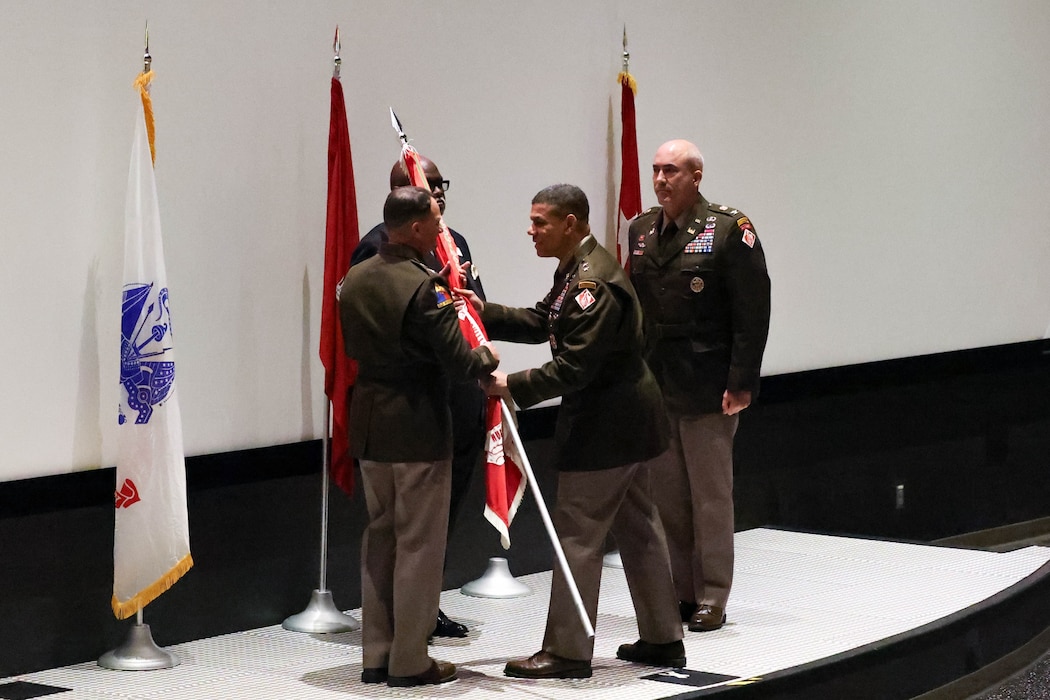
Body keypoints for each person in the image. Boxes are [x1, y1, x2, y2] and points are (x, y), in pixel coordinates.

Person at [460, 184, 684, 679]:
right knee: (640, 530)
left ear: (570, 223)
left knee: (578, 535)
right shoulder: (577, 269)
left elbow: (575, 367)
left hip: (608, 428)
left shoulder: (592, 282)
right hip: (628, 422)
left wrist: (510, 385)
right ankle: (663, 638)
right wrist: (482, 310)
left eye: (540, 222)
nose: (530, 230)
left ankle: (567, 651)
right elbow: (544, 320)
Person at [338, 186, 499, 687]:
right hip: (417, 426)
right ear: (413, 228)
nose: (440, 228)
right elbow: (459, 360)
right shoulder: (424, 286)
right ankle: (410, 660)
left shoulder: (355, 278)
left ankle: (376, 654)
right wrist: (487, 357)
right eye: (434, 221)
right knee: (418, 546)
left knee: (380, 540)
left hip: (370, 423)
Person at [628, 139, 771, 633]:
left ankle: (712, 595)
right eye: (656, 170)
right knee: (669, 497)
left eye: (671, 170)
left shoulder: (728, 229)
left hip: (710, 386)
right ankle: (682, 592)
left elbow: (752, 312)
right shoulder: (641, 229)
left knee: (710, 496)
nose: (660, 179)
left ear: (696, 177)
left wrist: (742, 381)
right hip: (659, 383)